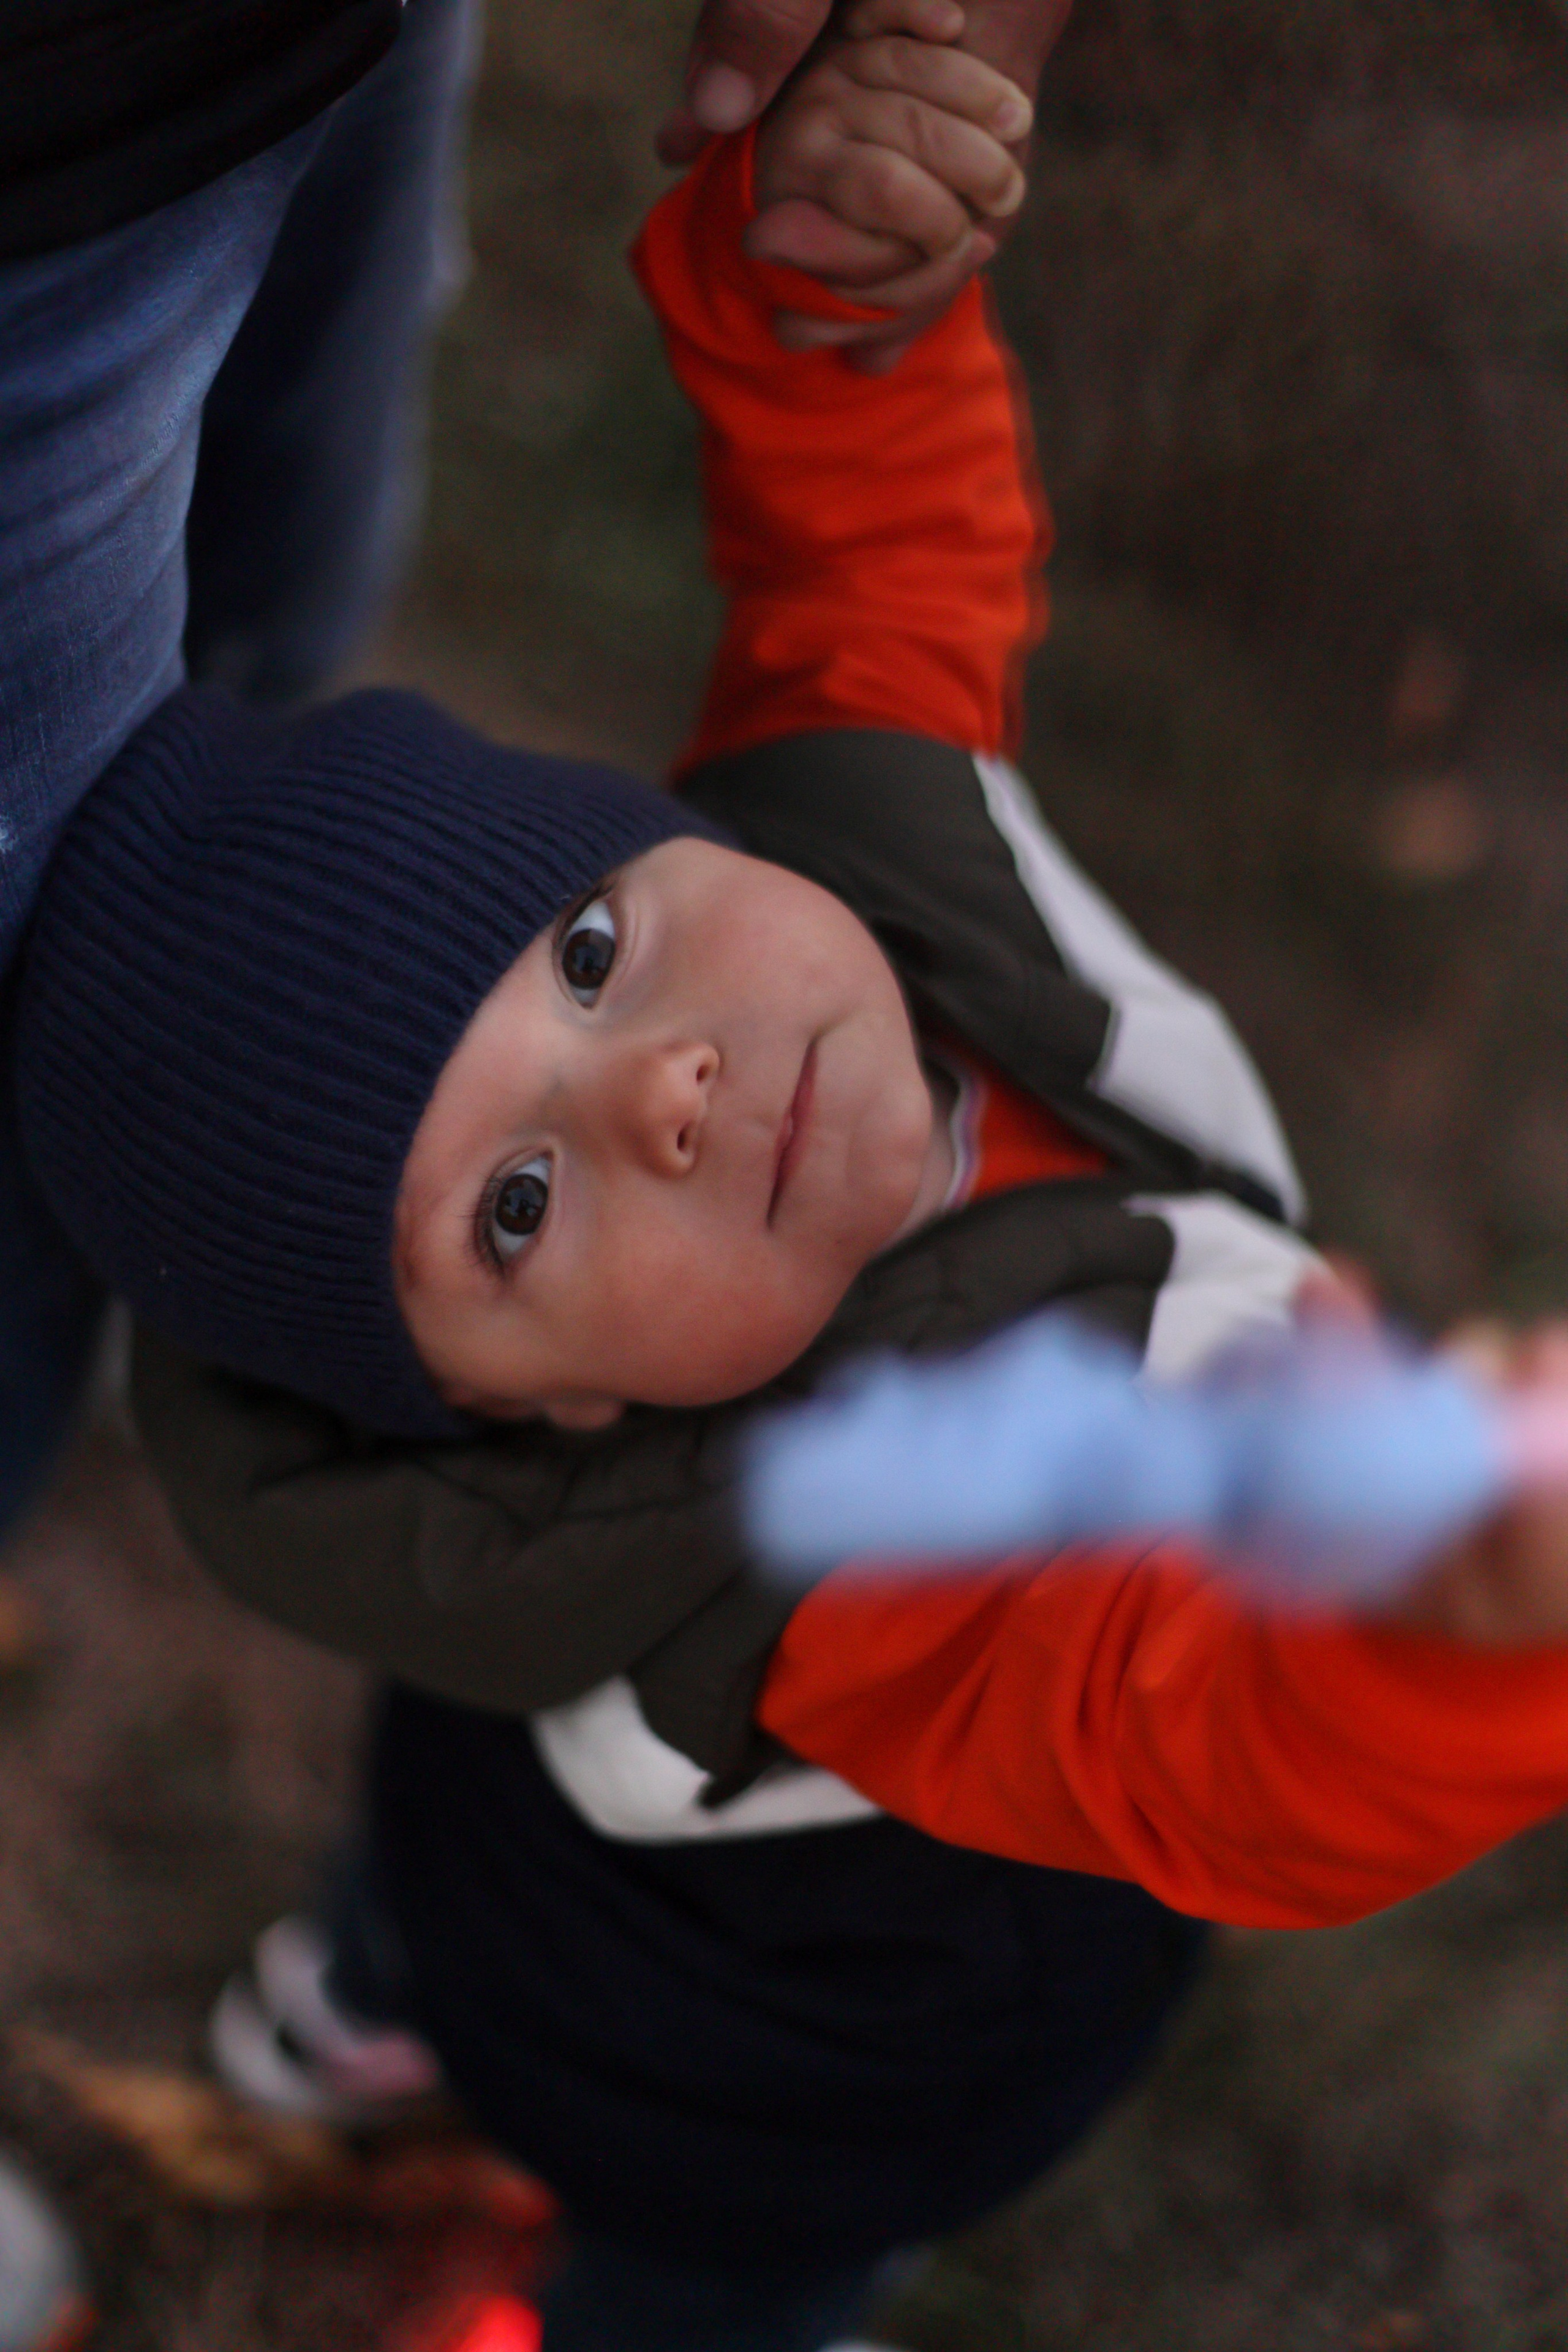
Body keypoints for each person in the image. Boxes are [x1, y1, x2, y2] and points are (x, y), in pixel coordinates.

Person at [19, 10, 1568, 2348]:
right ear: (534, 1415)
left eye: (589, 951)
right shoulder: (863, 1562)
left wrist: (830, 264)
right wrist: (1436, 1638)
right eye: (516, 1209)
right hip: (767, 2073)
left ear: (660, 836)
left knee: (439, 1878)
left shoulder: (850, 842)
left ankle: (359, 2009)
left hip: (512, 1817)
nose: (657, 1089)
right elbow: (1188, 1734)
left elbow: (870, 533)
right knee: (711, 2282)